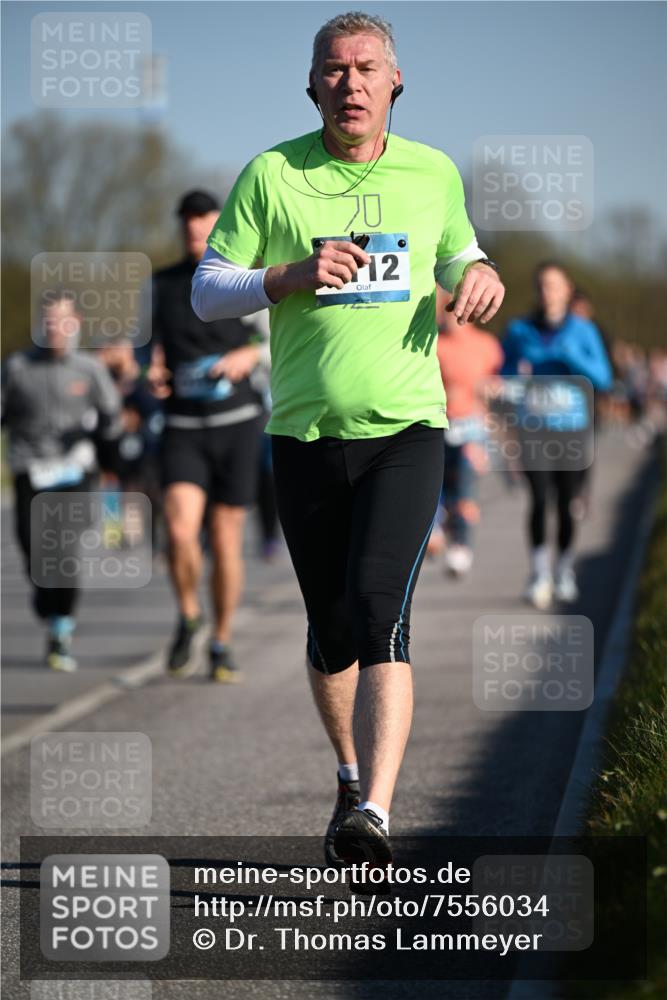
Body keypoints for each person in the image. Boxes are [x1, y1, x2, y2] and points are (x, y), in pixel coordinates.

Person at [191, 11, 504, 871]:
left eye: (367, 67)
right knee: (330, 630)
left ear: (394, 83)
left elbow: (456, 256)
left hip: (406, 429)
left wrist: (477, 272)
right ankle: (346, 771)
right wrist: (287, 276)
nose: (350, 82)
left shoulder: (432, 172)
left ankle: (373, 810)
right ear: (311, 84)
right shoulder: (271, 174)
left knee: (379, 615)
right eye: (333, 69)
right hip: (301, 434)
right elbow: (208, 293)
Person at [146, 190, 267, 683]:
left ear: (219, 227)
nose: (195, 234)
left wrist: (250, 356)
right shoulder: (160, 285)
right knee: (178, 532)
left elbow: (276, 336)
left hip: (237, 425)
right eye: (188, 226)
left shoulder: (244, 278)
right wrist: (148, 370)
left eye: (204, 226)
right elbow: (144, 348)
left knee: (225, 537)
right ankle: (189, 615)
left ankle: (221, 640)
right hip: (181, 425)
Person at [1, 290, 121, 671]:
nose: (56, 328)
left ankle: (60, 630)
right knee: (32, 545)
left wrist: (105, 435)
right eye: (50, 321)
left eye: (64, 321)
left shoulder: (89, 368)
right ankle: (43, 593)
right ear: (42, 324)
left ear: (76, 324)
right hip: (29, 467)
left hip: (74, 470)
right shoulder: (18, 366)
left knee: (64, 553)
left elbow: (112, 416)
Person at [501, 262, 612, 609]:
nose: (547, 292)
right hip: (534, 428)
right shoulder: (520, 330)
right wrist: (513, 380)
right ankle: (539, 574)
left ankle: (563, 570)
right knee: (537, 500)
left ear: (568, 290)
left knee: (565, 504)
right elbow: (503, 373)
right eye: (542, 285)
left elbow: (604, 378)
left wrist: (571, 356)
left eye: (554, 285)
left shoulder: (583, 331)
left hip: (573, 430)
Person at [429, 287, 503, 577]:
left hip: (473, 427)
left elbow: (497, 383)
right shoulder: (432, 343)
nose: (448, 314)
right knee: (435, 486)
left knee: (465, 487)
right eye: (444, 307)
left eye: (453, 307)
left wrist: (493, 392)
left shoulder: (486, 344)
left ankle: (461, 545)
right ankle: (436, 528)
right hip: (438, 425)